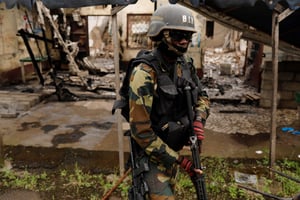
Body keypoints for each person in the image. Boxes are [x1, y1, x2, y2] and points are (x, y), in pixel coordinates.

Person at [128, 4, 210, 199]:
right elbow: (141, 132)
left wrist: (199, 119)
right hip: (152, 156)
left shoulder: (185, 64)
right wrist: (181, 161)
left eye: (187, 36)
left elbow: (203, 97)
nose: (183, 41)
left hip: (173, 150)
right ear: (161, 35)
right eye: (176, 35)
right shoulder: (144, 74)